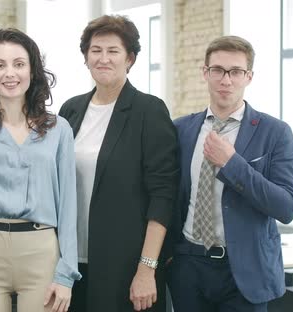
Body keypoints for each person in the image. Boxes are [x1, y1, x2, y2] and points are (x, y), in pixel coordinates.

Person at [165, 35, 293, 312]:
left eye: (236, 71)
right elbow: (167, 195)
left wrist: (232, 164)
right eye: (218, 70)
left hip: (245, 272)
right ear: (205, 73)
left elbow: (286, 207)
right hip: (189, 266)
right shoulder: (180, 130)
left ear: (248, 76)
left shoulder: (275, 133)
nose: (226, 80)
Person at [58, 15, 179, 312]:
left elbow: (163, 196)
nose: (103, 58)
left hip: (125, 267)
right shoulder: (70, 110)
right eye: (96, 50)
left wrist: (147, 269)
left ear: (130, 58)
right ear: (86, 58)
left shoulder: (149, 111)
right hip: (70, 265)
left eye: (113, 51)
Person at [0, 28, 81, 312]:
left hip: (41, 250)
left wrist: (66, 272)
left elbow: (68, 205)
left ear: (33, 70)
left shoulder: (59, 129)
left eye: (19, 64)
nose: (9, 73)